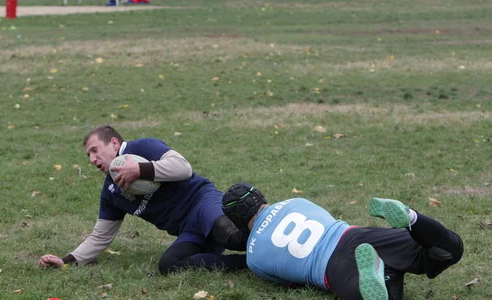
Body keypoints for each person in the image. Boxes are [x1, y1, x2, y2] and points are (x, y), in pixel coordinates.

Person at [39, 125, 247, 274]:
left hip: (202, 203)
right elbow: (100, 237)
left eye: (95, 150)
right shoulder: (111, 192)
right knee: (169, 265)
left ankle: (275, 245)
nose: (92, 159)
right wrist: (66, 261)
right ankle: (245, 264)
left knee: (232, 236)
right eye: (88, 156)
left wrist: (141, 169)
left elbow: (184, 168)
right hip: (189, 231)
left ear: (113, 143)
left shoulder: (142, 148)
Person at [221, 182, 464, 300]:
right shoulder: (295, 202)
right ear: (260, 196)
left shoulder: (254, 258)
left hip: (332, 270)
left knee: (382, 296)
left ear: (236, 221)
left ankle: (379, 276)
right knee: (449, 249)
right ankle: (411, 217)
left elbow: (290, 283)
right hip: (357, 237)